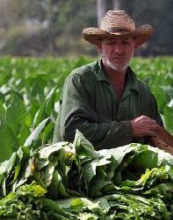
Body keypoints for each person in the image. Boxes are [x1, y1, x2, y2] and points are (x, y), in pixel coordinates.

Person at [53, 10, 163, 150]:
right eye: (111, 42)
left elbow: (158, 140)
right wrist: (129, 129)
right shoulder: (80, 80)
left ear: (135, 45)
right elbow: (71, 132)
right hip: (76, 168)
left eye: (125, 42)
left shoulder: (143, 92)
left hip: (127, 171)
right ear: (100, 46)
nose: (118, 50)